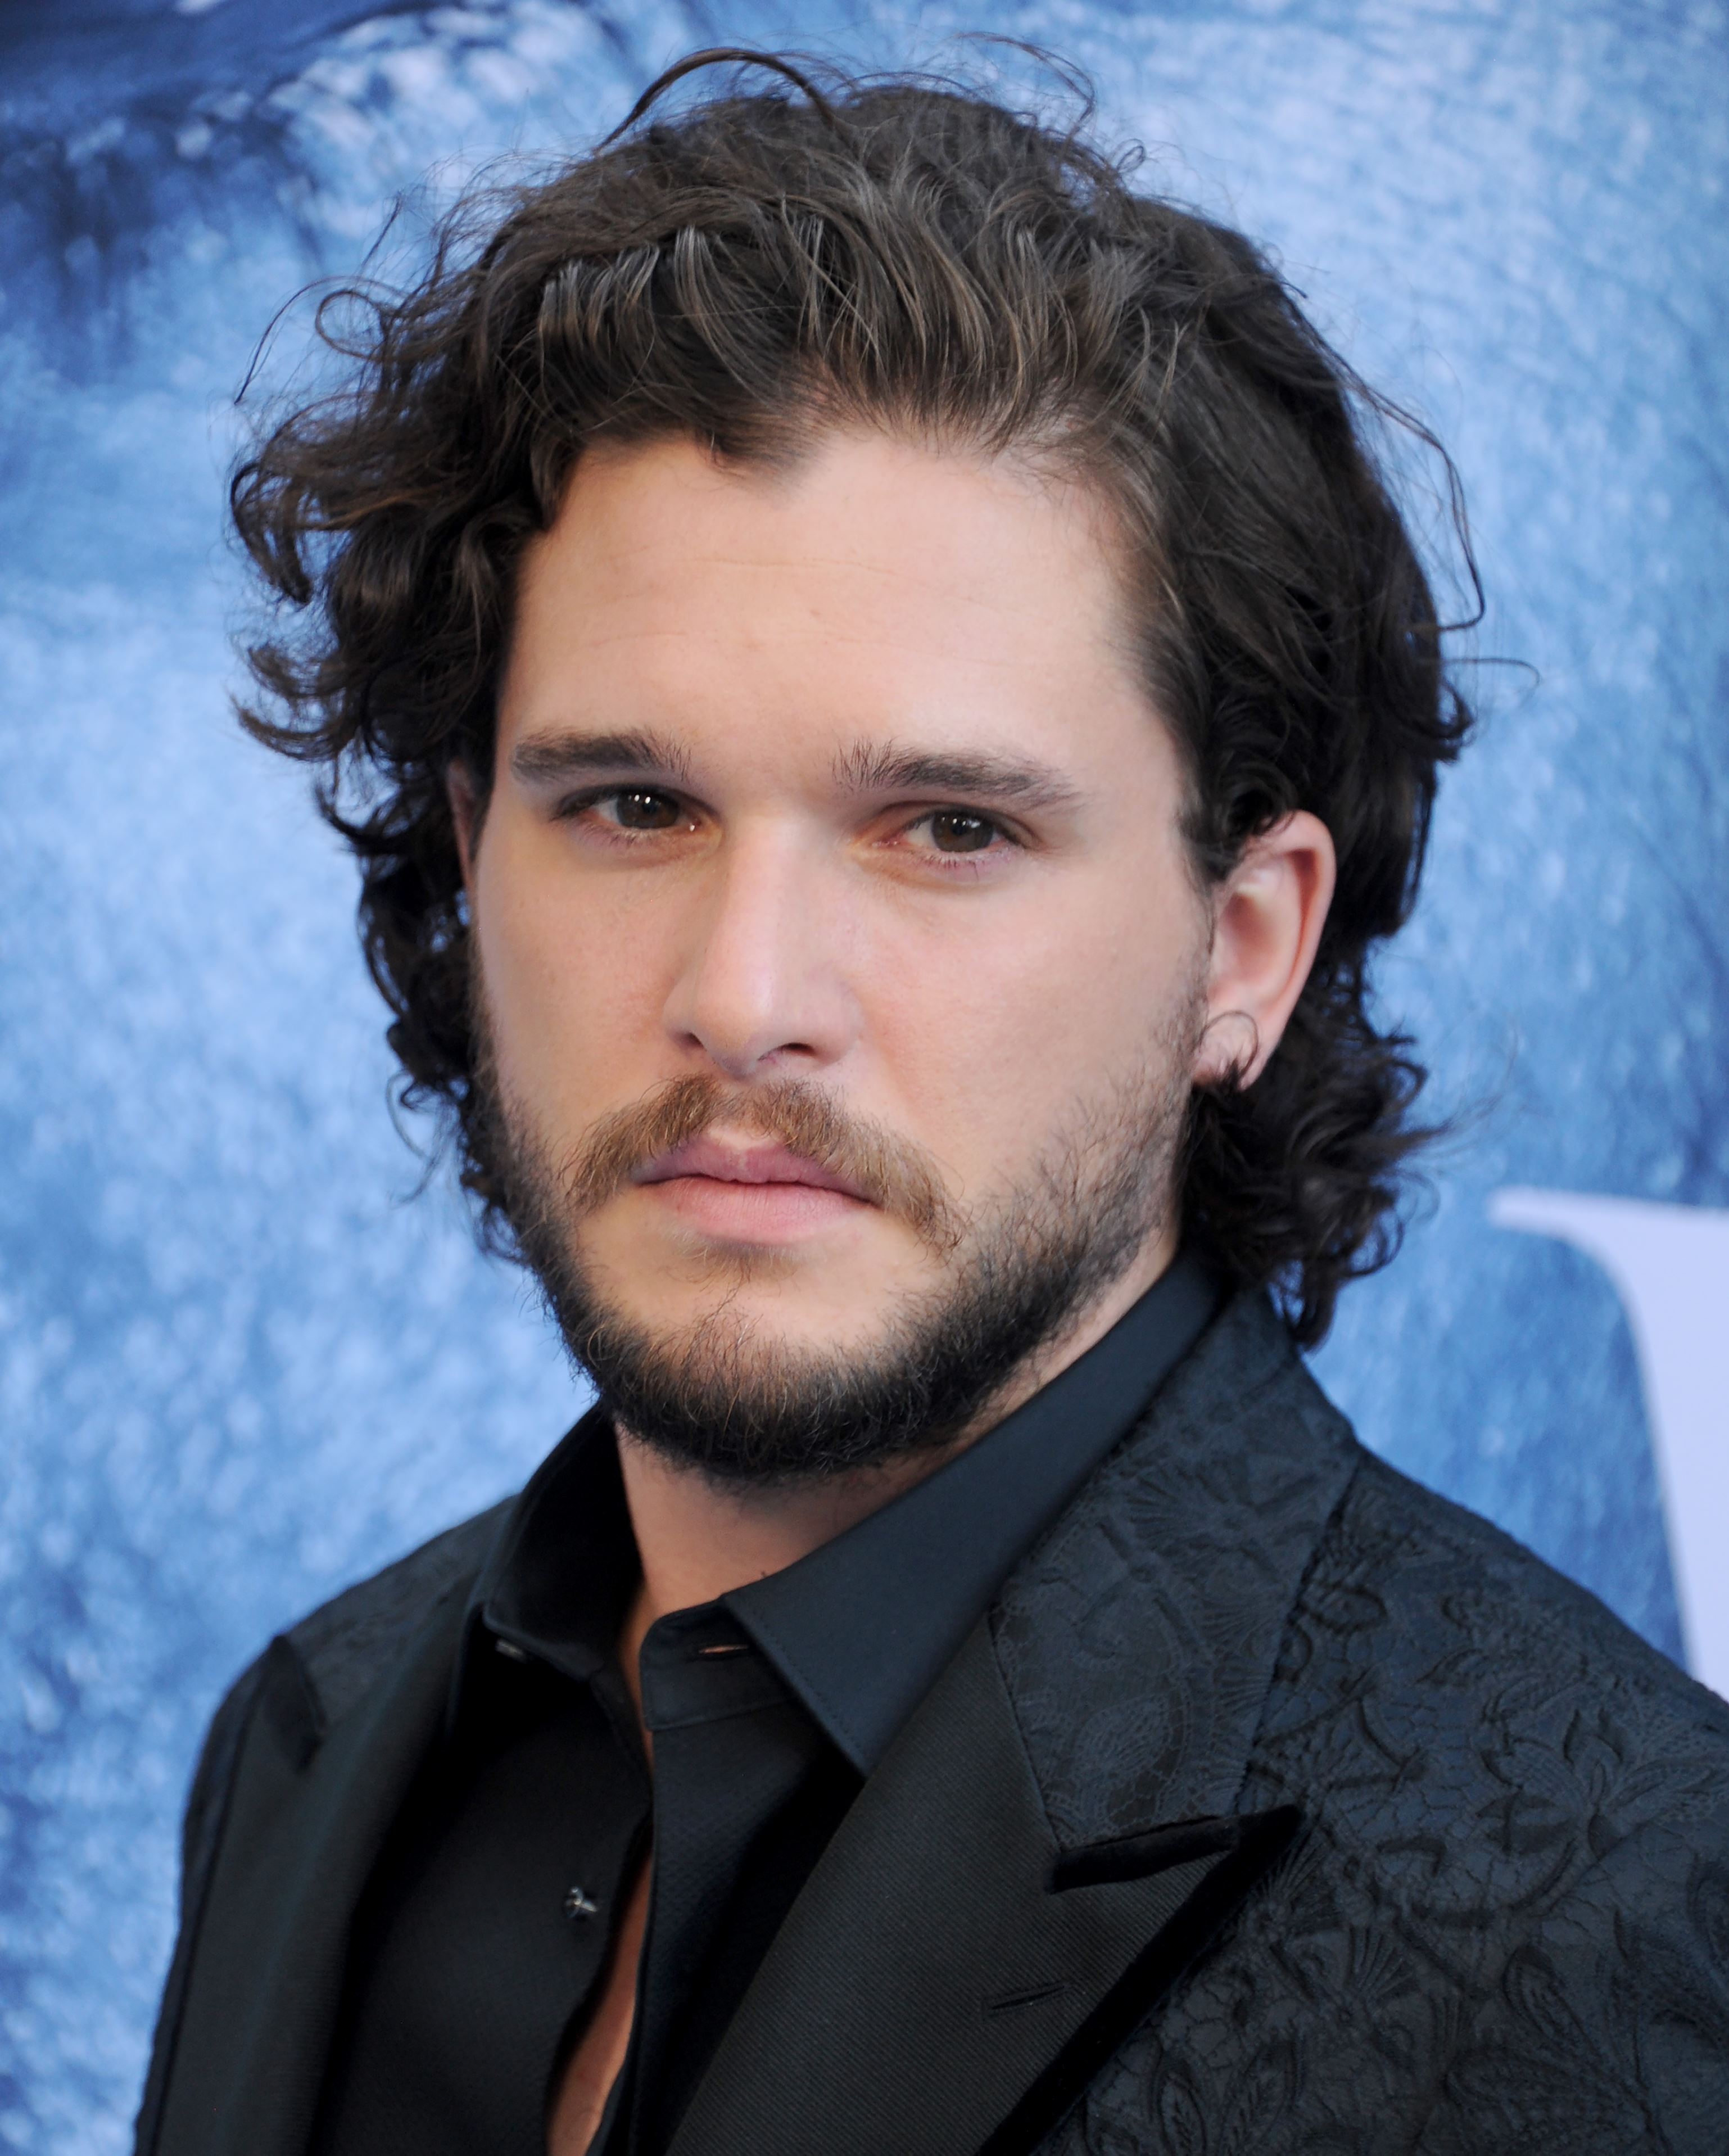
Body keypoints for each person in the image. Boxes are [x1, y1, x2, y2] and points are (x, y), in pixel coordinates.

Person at [135, 52, 1729, 2156]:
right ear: (465, 854)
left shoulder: (1599, 1920)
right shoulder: (319, 1735)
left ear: (1240, 947)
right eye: (630, 803)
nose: (743, 997)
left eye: (949, 829)